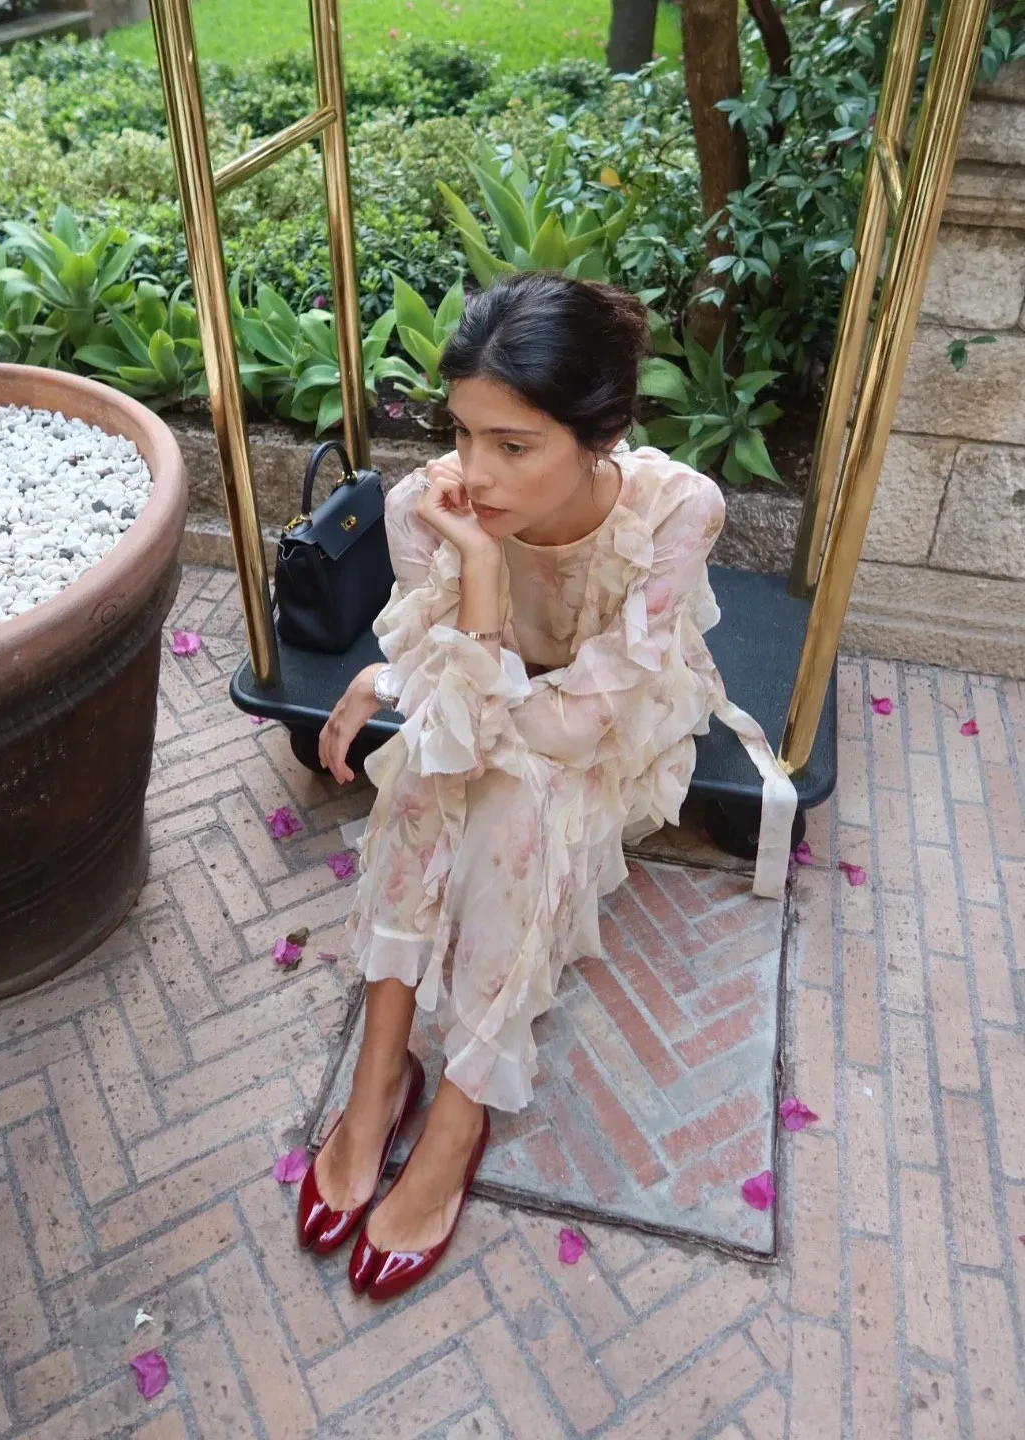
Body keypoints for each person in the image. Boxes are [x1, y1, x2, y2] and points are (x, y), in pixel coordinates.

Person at [297, 272, 796, 1301]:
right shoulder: (428, 506)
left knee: (511, 796)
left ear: (602, 434)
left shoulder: (677, 511)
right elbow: (452, 684)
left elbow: (579, 723)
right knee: (438, 771)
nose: (474, 471)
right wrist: (468, 592)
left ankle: (459, 1111)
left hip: (616, 732)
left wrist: (417, 684)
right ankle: (381, 1071)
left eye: (513, 446)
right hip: (500, 701)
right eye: (462, 432)